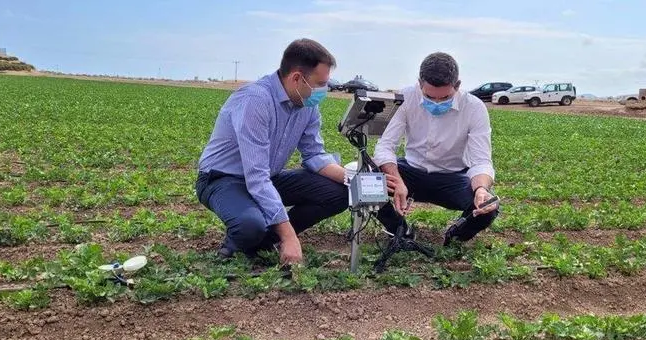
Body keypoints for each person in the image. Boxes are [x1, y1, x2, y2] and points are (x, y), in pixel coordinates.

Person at [195, 38, 349, 265]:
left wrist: (353, 179)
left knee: (338, 193)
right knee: (250, 226)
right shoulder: (255, 100)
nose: (323, 90)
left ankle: (268, 239)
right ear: (297, 77)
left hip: (269, 178)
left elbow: (315, 155)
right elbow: (255, 176)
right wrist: (289, 234)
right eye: (320, 83)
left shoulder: (308, 105)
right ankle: (251, 237)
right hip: (223, 179)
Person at [372, 52, 499, 245]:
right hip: (411, 172)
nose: (437, 103)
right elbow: (385, 146)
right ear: (419, 83)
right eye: (429, 97)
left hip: (453, 178)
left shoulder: (474, 107)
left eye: (445, 97)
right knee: (364, 178)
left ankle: (454, 237)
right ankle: (399, 228)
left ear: (458, 85)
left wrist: (481, 189)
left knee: (488, 206)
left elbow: (481, 160)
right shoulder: (405, 98)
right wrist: (397, 181)